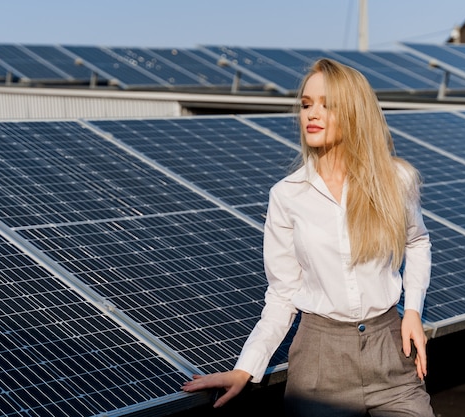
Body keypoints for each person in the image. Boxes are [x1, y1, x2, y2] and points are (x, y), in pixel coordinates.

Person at [181, 58, 433, 417]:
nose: (312, 114)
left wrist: (412, 312)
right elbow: (283, 294)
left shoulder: (395, 180)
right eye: (306, 104)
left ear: (355, 112)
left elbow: (418, 241)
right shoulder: (287, 195)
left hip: (391, 353)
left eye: (327, 104)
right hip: (319, 365)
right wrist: (246, 368)